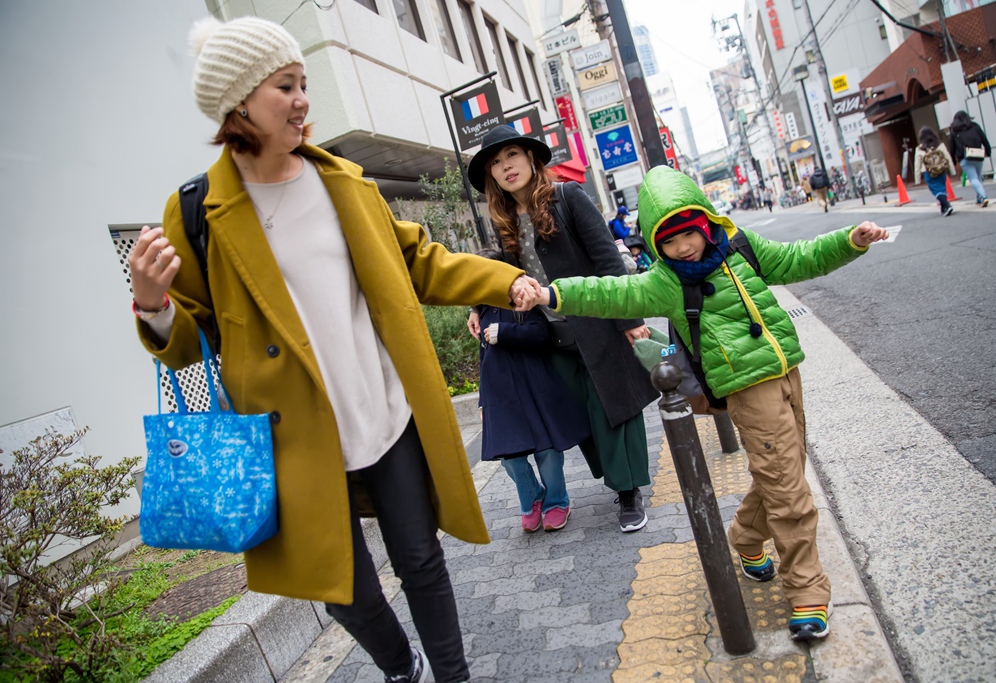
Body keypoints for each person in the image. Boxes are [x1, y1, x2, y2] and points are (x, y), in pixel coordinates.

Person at [127, 17, 543, 683]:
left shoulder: (342, 180)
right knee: (340, 587)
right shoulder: (199, 209)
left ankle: (454, 675)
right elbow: (189, 342)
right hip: (292, 438)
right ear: (240, 101)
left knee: (421, 559)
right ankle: (398, 665)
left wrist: (506, 278)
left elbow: (421, 262)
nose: (302, 99)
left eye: (303, 83)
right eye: (285, 85)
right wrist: (153, 304)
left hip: (382, 411)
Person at [529, 165, 889, 642]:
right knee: (788, 492)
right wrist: (554, 292)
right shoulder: (665, 281)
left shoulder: (739, 246)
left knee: (783, 473)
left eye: (688, 234)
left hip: (786, 371)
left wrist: (851, 241)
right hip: (745, 387)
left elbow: (795, 259)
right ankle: (806, 591)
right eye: (668, 241)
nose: (682, 248)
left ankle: (742, 537)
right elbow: (613, 290)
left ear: (706, 221)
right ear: (657, 244)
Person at [466, 125, 659, 533]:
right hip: (550, 338)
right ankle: (617, 481)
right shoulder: (502, 223)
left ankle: (628, 494)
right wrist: (478, 305)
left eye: (512, 156)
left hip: (598, 324)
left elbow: (608, 260)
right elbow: (497, 273)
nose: (506, 167)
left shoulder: (568, 198)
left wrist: (630, 320)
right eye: (496, 164)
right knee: (582, 412)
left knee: (616, 408)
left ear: (531, 159)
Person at [475, 248, 591, 533]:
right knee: (508, 455)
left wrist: (505, 332)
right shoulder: (480, 311)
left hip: (534, 386)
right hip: (499, 394)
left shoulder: (521, 300)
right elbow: (483, 357)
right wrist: (481, 401)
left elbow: (541, 333)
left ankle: (557, 502)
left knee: (546, 449)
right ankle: (532, 499)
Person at [949, 110, 992, 207]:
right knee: (978, 177)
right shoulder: (975, 126)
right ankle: (979, 198)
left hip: (965, 159)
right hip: (978, 156)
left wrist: (953, 161)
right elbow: (984, 139)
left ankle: (983, 196)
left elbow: (952, 148)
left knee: (973, 178)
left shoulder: (954, 131)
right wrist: (988, 152)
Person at [914, 126, 957, 217]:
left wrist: (917, 179)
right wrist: (952, 171)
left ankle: (947, 205)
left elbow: (917, 164)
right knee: (941, 188)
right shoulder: (940, 145)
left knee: (935, 190)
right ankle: (943, 207)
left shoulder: (920, 149)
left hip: (928, 172)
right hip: (941, 170)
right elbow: (947, 157)